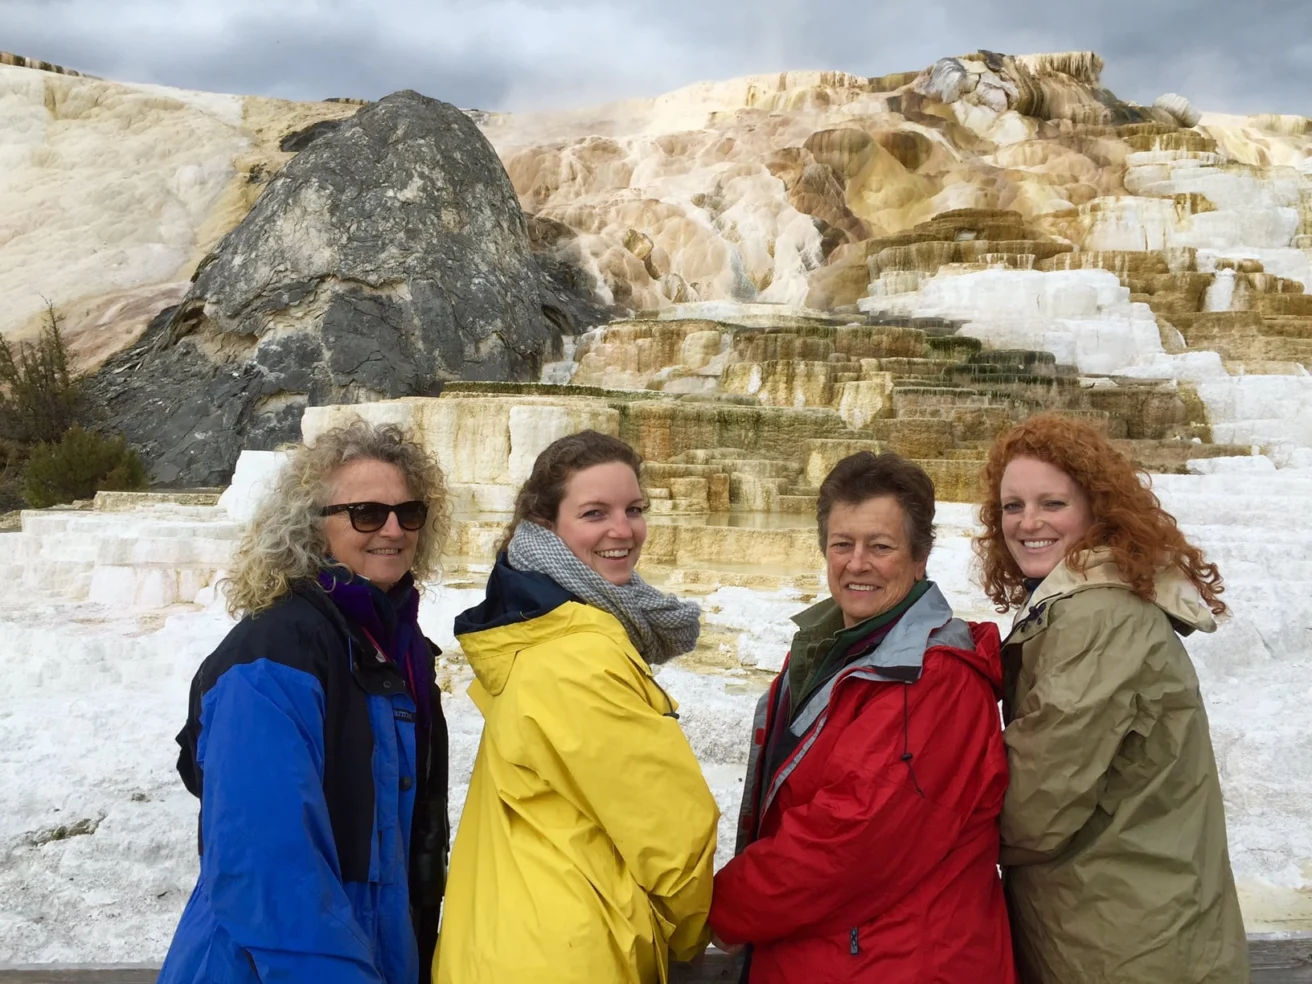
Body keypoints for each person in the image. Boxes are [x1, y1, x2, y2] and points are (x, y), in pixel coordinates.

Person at [159, 419, 451, 984]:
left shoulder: (396, 648)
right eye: (366, 513)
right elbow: (269, 873)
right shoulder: (272, 658)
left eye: (408, 512)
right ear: (311, 529)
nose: (393, 528)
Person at [710, 451, 1016, 983]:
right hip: (842, 954)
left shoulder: (931, 679)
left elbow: (846, 844)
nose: (857, 563)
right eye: (842, 544)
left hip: (897, 962)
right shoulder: (834, 648)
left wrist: (716, 910)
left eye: (880, 546)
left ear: (920, 558)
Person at [435, 430, 718, 984]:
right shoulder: (578, 654)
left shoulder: (534, 629)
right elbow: (672, 835)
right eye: (595, 513)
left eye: (634, 509)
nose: (623, 530)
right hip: (572, 953)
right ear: (546, 527)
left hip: (508, 938)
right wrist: (692, 936)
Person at [975, 413, 1249, 984]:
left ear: (1098, 510)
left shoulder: (1098, 617)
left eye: (1052, 504)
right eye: (1012, 506)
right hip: (1130, 919)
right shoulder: (1091, 601)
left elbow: (1037, 802)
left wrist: (916, 843)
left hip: (1122, 943)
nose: (1027, 523)